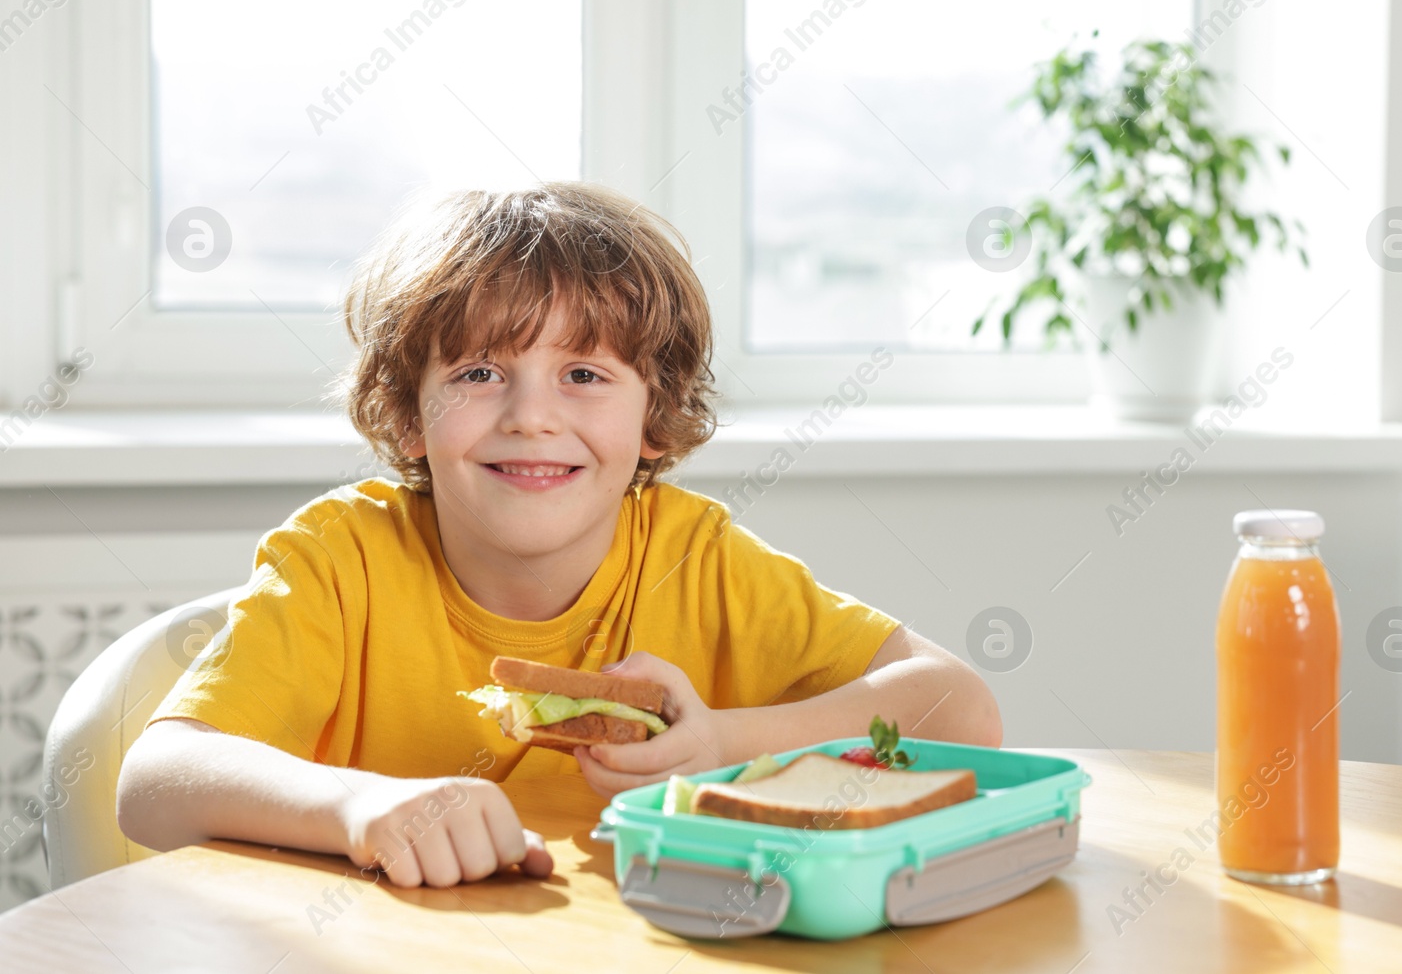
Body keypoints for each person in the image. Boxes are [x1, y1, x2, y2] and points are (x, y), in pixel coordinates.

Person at [116, 182, 1003, 889]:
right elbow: (154, 784)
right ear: (407, 412)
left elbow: (962, 711)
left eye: (582, 373)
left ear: (656, 416)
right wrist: (365, 807)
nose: (532, 416)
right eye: (478, 372)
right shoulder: (338, 559)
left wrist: (721, 742)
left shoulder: (697, 557)